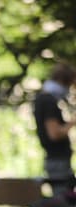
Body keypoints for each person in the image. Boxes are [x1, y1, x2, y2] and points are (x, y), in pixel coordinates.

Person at [33, 62, 74, 191]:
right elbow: (54, 134)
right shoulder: (48, 101)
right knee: (62, 198)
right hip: (57, 161)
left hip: (57, 160)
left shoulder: (45, 99)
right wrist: (72, 122)